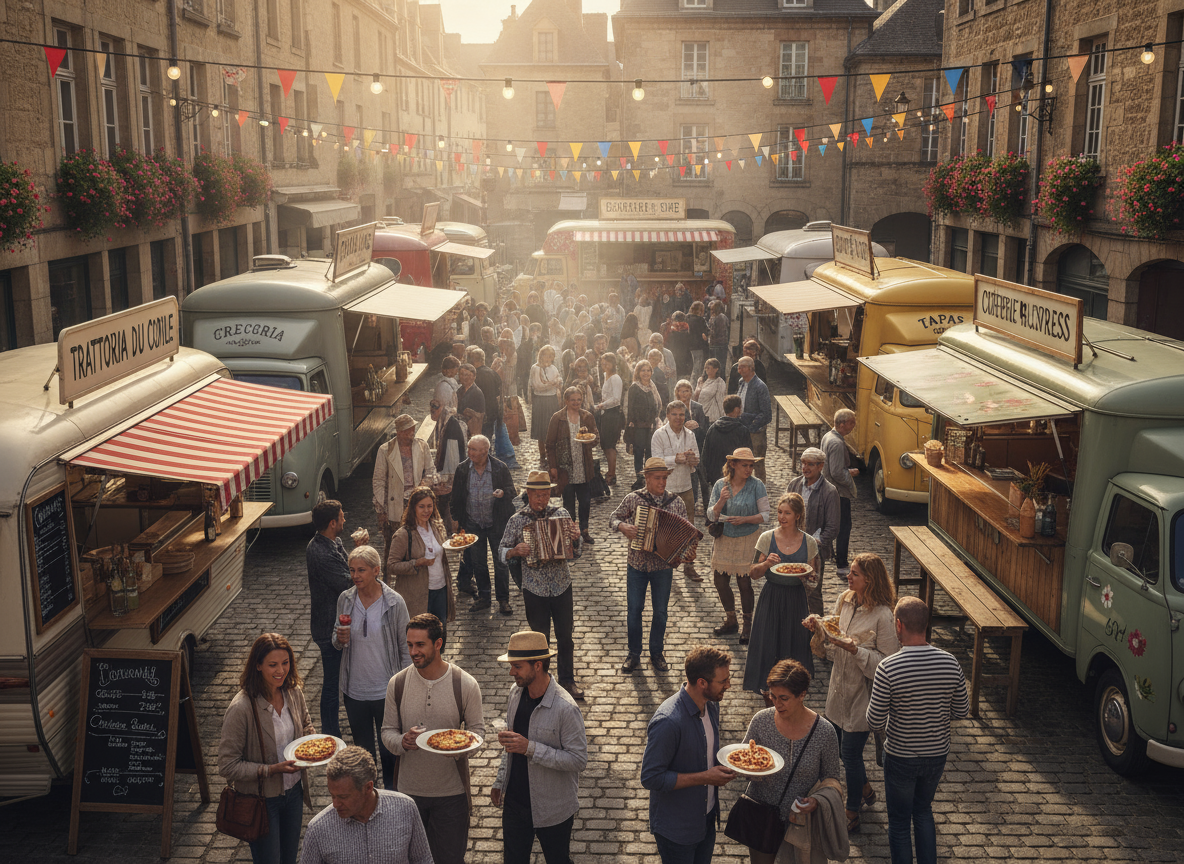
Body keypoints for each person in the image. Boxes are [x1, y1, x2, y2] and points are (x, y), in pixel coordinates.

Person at [866, 597, 969, 864]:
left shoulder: (888, 668)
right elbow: (960, 712)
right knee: (923, 811)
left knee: (899, 822)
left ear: (898, 625)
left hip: (901, 755)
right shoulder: (950, 663)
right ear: (926, 625)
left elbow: (874, 719)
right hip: (936, 754)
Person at [805, 552, 900, 834]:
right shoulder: (846, 599)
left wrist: (855, 650)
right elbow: (836, 628)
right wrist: (819, 624)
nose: (849, 576)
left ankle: (852, 811)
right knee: (841, 749)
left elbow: (887, 662)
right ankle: (866, 788)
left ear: (869, 580)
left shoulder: (883, 615)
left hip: (863, 695)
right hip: (838, 688)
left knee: (851, 752)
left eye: (855, 573)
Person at [380, 614, 484, 864]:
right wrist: (403, 742)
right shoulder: (398, 683)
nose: (413, 651)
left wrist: (459, 749)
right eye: (409, 644)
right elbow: (387, 732)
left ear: (438, 644)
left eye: (420, 645)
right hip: (408, 795)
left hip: (451, 795)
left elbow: (478, 732)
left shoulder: (465, 684)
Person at [491, 630, 589, 864]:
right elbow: (513, 746)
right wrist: (499, 780)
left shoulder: (566, 709)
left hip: (553, 808)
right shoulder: (515, 693)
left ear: (537, 666)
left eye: (517, 666)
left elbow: (578, 760)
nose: (511, 672)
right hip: (515, 803)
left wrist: (531, 748)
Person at [218, 633, 315, 864]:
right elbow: (227, 765)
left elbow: (306, 724)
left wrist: (312, 739)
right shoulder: (241, 708)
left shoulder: (293, 692)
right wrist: (270, 770)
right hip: (262, 799)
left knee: (289, 859)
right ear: (258, 665)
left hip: (294, 794)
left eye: (285, 663)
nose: (281, 670)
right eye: (273, 665)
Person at [739, 659, 843, 864]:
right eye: (772, 696)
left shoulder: (824, 732)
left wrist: (817, 801)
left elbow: (832, 778)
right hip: (762, 819)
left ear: (802, 695)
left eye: (784, 698)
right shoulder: (761, 721)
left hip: (801, 824)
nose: (776, 704)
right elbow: (743, 761)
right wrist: (753, 772)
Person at [640, 645, 737, 863]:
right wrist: (705, 777)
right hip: (677, 831)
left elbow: (706, 754)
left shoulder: (711, 705)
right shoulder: (668, 722)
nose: (728, 686)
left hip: (706, 818)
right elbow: (650, 777)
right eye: (723, 681)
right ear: (702, 683)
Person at [501, 472, 586, 700]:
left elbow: (575, 553)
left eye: (546, 494)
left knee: (565, 636)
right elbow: (501, 552)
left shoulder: (561, 514)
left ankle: (568, 681)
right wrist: (515, 551)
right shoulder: (517, 520)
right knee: (541, 640)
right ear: (528, 494)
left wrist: (576, 538)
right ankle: (543, 683)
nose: (542, 499)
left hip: (561, 586)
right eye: (537, 495)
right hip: (534, 589)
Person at [610, 457, 699, 673]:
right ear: (646, 478)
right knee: (634, 611)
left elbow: (686, 536)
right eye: (657, 478)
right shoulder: (634, 499)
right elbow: (613, 517)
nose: (662, 482)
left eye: (664, 478)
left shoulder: (675, 502)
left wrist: (686, 553)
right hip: (637, 565)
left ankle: (657, 653)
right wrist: (623, 526)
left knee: (660, 612)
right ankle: (633, 653)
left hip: (663, 568)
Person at [333, 545, 411, 791]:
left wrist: (406, 686)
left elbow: (405, 647)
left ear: (376, 570)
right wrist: (339, 639)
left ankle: (391, 795)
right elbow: (336, 639)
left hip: (385, 691)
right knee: (363, 755)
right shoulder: (345, 600)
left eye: (362, 570)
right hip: (354, 691)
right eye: (352, 570)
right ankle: (369, 796)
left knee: (389, 750)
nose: (355, 575)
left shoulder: (394, 603)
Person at [299, 745, 432, 864]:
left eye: (343, 797)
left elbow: (423, 859)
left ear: (368, 788)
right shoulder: (318, 829)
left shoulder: (405, 808)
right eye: (332, 795)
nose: (335, 804)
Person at [745, 493, 820, 695]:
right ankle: (766, 688)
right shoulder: (766, 538)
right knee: (768, 643)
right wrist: (767, 563)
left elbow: (812, 575)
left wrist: (810, 577)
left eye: (787, 513)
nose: (782, 517)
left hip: (796, 599)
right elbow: (753, 573)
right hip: (772, 597)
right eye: (779, 512)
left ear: (797, 515)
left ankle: (792, 689)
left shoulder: (809, 542)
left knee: (794, 644)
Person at [706, 448, 770, 644]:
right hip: (725, 538)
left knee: (744, 582)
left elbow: (766, 515)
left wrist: (745, 519)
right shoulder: (720, 485)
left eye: (751, 465)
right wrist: (720, 502)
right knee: (720, 580)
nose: (749, 469)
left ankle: (748, 624)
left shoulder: (757, 485)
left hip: (748, 538)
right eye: (745, 465)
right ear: (733, 465)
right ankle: (731, 619)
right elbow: (710, 515)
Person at [449, 435, 516, 615]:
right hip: (473, 524)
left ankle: (503, 600)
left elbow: (512, 490)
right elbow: (455, 497)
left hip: (496, 524)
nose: (470, 453)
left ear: (485, 451)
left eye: (474, 449)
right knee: (479, 564)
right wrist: (456, 520)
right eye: (469, 448)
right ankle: (484, 598)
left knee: (501, 562)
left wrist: (503, 493)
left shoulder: (499, 468)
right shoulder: (463, 469)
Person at [306, 499, 353, 738]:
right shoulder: (321, 553)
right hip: (328, 627)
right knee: (332, 683)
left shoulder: (332, 543)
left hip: (335, 623)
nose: (345, 519)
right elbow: (347, 581)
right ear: (333, 523)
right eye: (342, 516)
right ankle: (330, 732)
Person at [386, 487, 455, 625]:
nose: (426, 510)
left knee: (440, 633)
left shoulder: (437, 526)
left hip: (440, 589)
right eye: (421, 506)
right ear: (413, 508)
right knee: (422, 634)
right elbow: (391, 566)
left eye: (430, 506)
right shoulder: (403, 534)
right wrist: (417, 563)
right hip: (417, 594)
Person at [787, 447, 842, 617]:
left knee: (813, 594)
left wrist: (811, 544)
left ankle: (816, 632)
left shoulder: (830, 492)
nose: (805, 467)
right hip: (791, 549)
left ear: (820, 466)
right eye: (803, 463)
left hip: (815, 553)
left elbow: (832, 527)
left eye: (810, 464)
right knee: (790, 592)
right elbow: (784, 513)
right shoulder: (794, 484)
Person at [651, 400, 702, 582]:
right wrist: (677, 458)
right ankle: (664, 567)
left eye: (682, 415)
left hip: (686, 487)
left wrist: (693, 460)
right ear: (667, 415)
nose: (678, 418)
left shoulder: (690, 434)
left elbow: (696, 457)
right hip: (666, 489)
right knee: (665, 529)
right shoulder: (659, 434)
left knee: (690, 529)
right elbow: (656, 460)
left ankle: (689, 566)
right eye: (675, 414)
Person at [373, 414, 435, 556]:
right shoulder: (385, 450)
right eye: (408, 431)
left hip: (416, 502)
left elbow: (431, 470)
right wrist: (383, 507)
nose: (412, 433)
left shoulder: (421, 446)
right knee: (393, 547)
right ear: (399, 432)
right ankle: (388, 576)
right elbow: (378, 480)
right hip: (395, 505)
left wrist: (424, 485)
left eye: (413, 429)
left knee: (418, 543)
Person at [546, 387, 599, 545]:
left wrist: (591, 440)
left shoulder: (587, 416)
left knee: (585, 501)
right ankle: (571, 533)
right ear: (566, 401)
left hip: (583, 466)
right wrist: (553, 466)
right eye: (573, 400)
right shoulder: (557, 418)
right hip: (565, 468)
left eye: (578, 400)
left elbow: (596, 438)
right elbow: (550, 444)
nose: (576, 403)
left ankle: (584, 530)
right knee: (568, 502)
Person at [823, 408, 859, 576]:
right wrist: (849, 476)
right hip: (838, 492)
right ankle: (842, 563)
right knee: (844, 527)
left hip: (830, 489)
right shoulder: (837, 443)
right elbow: (837, 472)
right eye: (852, 423)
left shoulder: (828, 436)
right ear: (843, 424)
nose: (853, 426)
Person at [700, 394, 751, 507]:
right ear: (737, 409)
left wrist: (709, 477)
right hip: (736, 481)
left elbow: (705, 457)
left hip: (716, 479)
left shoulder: (712, 429)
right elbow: (748, 458)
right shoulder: (742, 431)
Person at [429, 398, 467, 538]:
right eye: (431, 407)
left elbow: (452, 458)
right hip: (449, 474)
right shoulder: (444, 422)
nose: (432, 410)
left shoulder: (451, 426)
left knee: (449, 506)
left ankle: (451, 533)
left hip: (451, 477)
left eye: (435, 407)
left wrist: (447, 480)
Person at [625, 359, 663, 478]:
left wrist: (655, 420)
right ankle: (639, 478)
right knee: (639, 452)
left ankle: (649, 476)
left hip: (651, 425)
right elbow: (630, 408)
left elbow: (658, 404)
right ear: (638, 372)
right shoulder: (634, 388)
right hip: (639, 427)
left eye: (648, 370)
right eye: (643, 370)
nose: (645, 373)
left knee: (650, 452)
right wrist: (633, 424)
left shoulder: (653, 386)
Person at [735, 356, 772, 481]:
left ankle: (760, 493)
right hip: (742, 431)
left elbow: (766, 414)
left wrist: (751, 427)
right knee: (743, 464)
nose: (740, 370)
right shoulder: (741, 382)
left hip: (756, 433)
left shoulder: (760, 387)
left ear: (751, 368)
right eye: (739, 367)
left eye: (743, 367)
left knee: (757, 464)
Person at [530, 344, 563, 469]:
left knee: (552, 427)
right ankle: (542, 455)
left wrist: (555, 382)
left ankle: (552, 454)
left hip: (552, 399)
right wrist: (553, 383)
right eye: (545, 355)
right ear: (541, 355)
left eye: (550, 356)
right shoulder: (535, 368)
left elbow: (559, 378)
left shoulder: (553, 368)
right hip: (541, 401)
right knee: (541, 429)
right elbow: (538, 386)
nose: (548, 358)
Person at [593, 351, 623, 485]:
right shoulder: (604, 375)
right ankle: (610, 471)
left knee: (610, 445)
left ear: (613, 364)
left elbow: (616, 399)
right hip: (605, 413)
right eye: (603, 363)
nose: (605, 365)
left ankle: (612, 473)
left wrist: (601, 405)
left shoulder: (615, 378)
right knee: (604, 444)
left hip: (612, 414)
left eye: (607, 363)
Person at [456, 363, 486, 438]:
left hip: (472, 431)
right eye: (461, 374)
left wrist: (471, 412)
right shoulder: (459, 391)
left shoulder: (477, 393)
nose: (463, 377)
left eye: (466, 375)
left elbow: (481, 416)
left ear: (474, 377)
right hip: (461, 428)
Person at [694, 357, 726, 424]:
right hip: (700, 414)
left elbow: (720, 401)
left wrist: (724, 418)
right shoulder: (701, 380)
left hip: (712, 416)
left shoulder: (719, 382)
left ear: (716, 369)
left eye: (709, 368)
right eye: (706, 368)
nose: (706, 370)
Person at [433, 355, 461, 421]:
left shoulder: (442, 382)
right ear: (449, 370)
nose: (457, 372)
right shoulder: (445, 386)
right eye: (456, 370)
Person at [667, 311, 693, 379]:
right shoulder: (688, 327)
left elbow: (668, 341)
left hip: (674, 353)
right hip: (686, 354)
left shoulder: (671, 328)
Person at [688, 300, 709, 381]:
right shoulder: (700, 320)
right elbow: (706, 333)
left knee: (690, 369)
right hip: (698, 347)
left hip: (688, 347)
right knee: (697, 369)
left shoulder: (687, 318)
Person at [707, 300, 730, 371]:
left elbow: (718, 332)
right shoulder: (719, 317)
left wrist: (709, 332)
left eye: (713, 309)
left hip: (719, 345)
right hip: (719, 344)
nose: (711, 311)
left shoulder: (720, 317)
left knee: (719, 365)